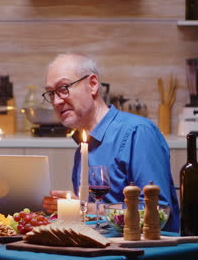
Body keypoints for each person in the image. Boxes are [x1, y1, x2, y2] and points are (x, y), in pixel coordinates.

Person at [41, 53, 180, 232]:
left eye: (64, 88)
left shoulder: (137, 132)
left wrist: (88, 209)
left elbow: (157, 213)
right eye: (51, 93)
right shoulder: (83, 148)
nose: (57, 101)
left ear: (92, 84)